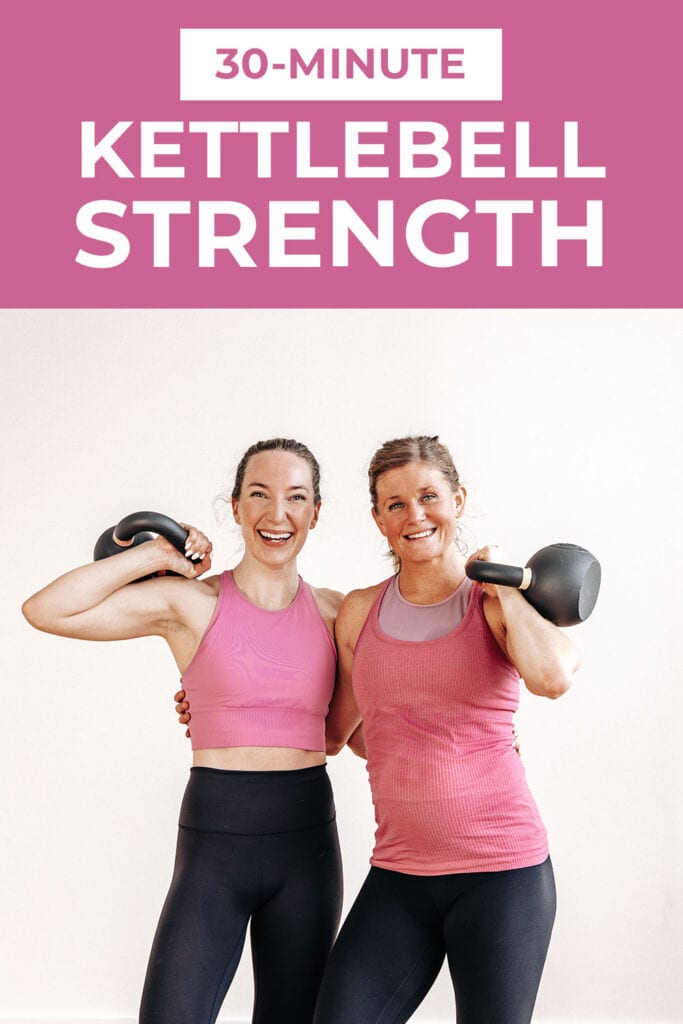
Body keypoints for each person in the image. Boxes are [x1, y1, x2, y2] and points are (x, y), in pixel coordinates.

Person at [22, 438, 344, 1024]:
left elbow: (378, 715)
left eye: (296, 498)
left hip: (308, 844)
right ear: (236, 507)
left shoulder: (336, 614)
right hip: (214, 840)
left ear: (316, 512)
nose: (278, 514)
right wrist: (156, 557)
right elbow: (46, 610)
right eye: (259, 495)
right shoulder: (191, 603)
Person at [313, 435, 580, 1024]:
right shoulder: (359, 612)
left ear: (457, 499)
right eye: (396, 504)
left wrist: (507, 589)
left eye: (429, 496)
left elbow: (555, 677)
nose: (415, 515)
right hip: (400, 875)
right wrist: (211, 703)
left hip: (502, 874)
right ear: (379, 517)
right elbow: (342, 734)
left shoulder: (490, 604)